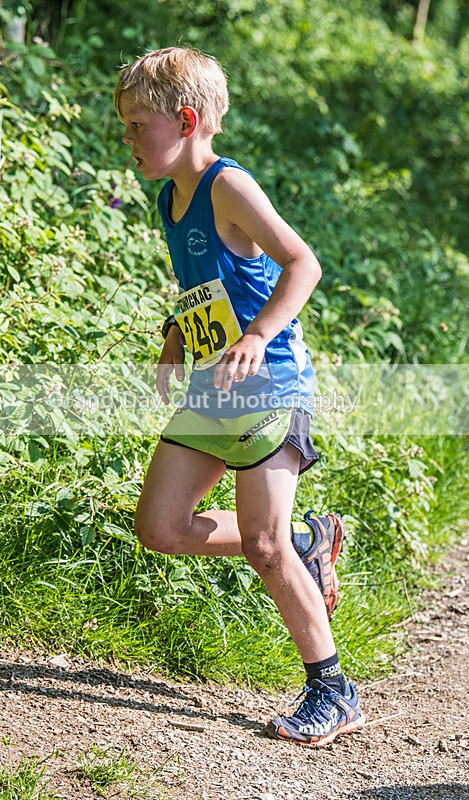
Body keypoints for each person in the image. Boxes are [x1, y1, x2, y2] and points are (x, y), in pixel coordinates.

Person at [114, 46, 365, 747]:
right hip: (213, 385)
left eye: (137, 124)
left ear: (186, 120)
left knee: (261, 545)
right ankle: (310, 540)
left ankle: (333, 692)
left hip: (271, 382)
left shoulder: (228, 186)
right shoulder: (170, 197)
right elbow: (209, 283)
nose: (127, 138)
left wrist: (257, 334)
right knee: (160, 527)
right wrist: (176, 333)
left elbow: (302, 263)